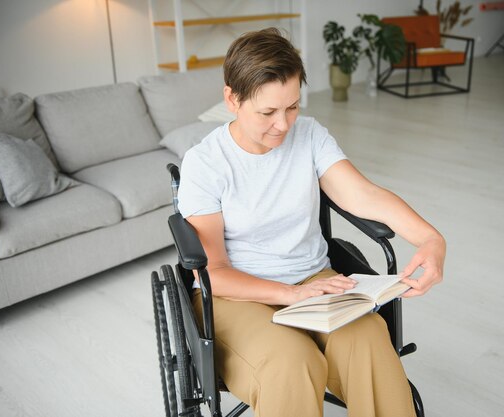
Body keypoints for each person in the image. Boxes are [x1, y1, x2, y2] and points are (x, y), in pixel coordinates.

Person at [178, 27, 446, 417]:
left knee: (370, 337)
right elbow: (213, 272)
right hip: (235, 296)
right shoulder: (205, 164)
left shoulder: (310, 135)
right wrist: (290, 295)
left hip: (313, 279)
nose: (283, 125)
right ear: (232, 99)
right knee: (290, 361)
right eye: (268, 112)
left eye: (292, 106)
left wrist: (431, 239)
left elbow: (365, 195)